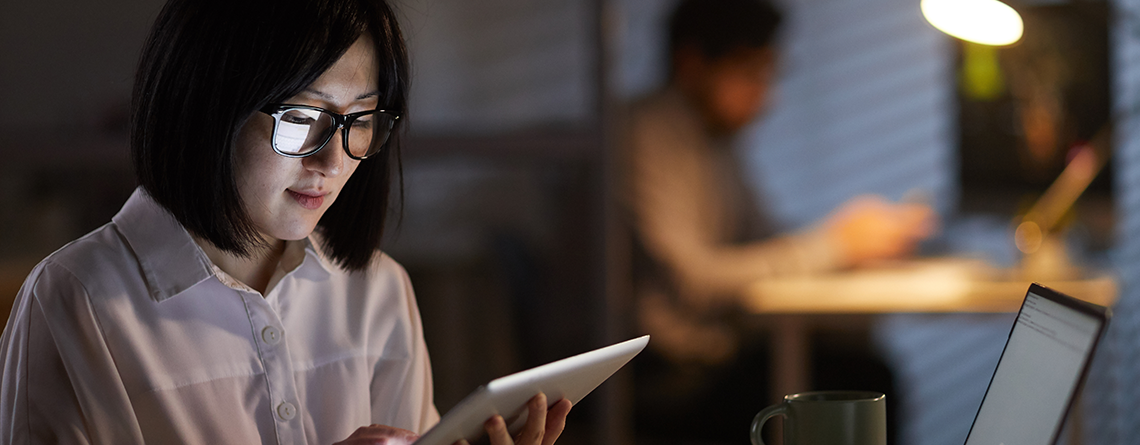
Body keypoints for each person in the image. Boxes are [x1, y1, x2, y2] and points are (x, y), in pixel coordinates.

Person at [0, 1, 571, 444]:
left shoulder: (376, 290)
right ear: (206, 105)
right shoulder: (76, 302)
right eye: (302, 117)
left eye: (360, 120)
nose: (332, 161)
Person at [625, 0, 935, 442]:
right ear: (692, 63)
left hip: (713, 360)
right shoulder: (644, 137)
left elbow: (763, 239)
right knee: (862, 378)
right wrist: (833, 246)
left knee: (860, 362)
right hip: (663, 381)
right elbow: (693, 282)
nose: (767, 94)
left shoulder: (714, 142)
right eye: (752, 72)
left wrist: (850, 248)